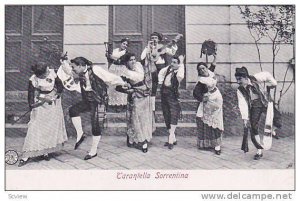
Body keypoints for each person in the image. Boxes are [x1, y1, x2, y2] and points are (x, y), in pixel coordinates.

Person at [68, 57, 126, 160]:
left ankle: (93, 151)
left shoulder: (95, 69)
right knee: (73, 110)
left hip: (98, 100)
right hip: (88, 99)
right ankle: (80, 134)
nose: (73, 69)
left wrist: (122, 82)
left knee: (95, 125)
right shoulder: (80, 74)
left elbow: (110, 77)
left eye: (74, 67)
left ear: (81, 66)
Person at [18, 62, 68, 167]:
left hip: (52, 104)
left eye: (46, 72)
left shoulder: (52, 73)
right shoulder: (33, 79)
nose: (46, 75)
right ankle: (26, 155)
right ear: (37, 74)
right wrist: (32, 104)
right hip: (40, 103)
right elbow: (31, 94)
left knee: (49, 128)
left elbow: (60, 87)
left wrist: (54, 95)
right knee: (35, 126)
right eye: (42, 75)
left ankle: (46, 151)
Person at [235, 67, 282, 160]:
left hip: (264, 101)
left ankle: (272, 130)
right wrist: (245, 118)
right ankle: (259, 151)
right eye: (237, 79)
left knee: (277, 117)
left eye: (239, 79)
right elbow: (242, 104)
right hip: (254, 106)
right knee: (253, 127)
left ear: (245, 77)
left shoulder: (255, 78)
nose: (238, 82)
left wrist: (273, 84)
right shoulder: (240, 90)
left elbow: (267, 75)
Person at [116, 53, 154, 153]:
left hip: (144, 95)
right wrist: (127, 90)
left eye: (134, 59)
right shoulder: (125, 72)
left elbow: (148, 75)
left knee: (144, 118)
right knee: (135, 118)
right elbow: (118, 87)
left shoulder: (138, 66)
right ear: (126, 62)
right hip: (135, 96)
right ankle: (135, 139)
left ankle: (144, 140)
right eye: (131, 60)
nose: (133, 61)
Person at [193, 54, 223, 155]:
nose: (202, 70)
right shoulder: (201, 81)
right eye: (200, 69)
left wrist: (215, 56)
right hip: (210, 102)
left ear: (206, 68)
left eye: (203, 68)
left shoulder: (210, 72)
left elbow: (213, 65)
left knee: (217, 121)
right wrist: (202, 98)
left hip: (218, 99)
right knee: (211, 122)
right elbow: (195, 93)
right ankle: (212, 145)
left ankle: (217, 144)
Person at [141, 32, 178, 114]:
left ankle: (167, 105)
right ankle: (152, 108)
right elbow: (142, 57)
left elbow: (172, 52)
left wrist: (174, 44)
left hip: (162, 67)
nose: (154, 39)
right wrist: (148, 49)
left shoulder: (162, 47)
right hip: (152, 68)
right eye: (152, 38)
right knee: (153, 87)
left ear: (159, 39)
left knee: (165, 86)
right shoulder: (148, 47)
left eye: (156, 38)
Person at [158, 55, 185, 149]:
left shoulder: (179, 74)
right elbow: (161, 73)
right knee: (166, 114)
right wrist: (160, 83)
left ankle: (170, 138)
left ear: (179, 64)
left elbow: (180, 75)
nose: (172, 64)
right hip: (164, 94)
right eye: (172, 62)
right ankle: (173, 138)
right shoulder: (168, 69)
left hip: (172, 95)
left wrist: (181, 63)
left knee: (173, 114)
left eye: (175, 62)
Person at [106, 38, 129, 109]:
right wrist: (108, 56)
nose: (124, 45)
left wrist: (112, 57)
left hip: (121, 69)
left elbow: (120, 61)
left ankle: (121, 104)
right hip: (113, 68)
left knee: (120, 84)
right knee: (112, 84)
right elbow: (110, 61)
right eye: (123, 43)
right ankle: (112, 104)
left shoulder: (126, 53)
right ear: (120, 43)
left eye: (126, 45)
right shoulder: (115, 51)